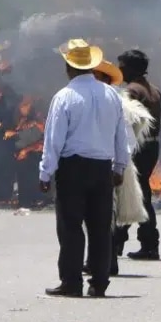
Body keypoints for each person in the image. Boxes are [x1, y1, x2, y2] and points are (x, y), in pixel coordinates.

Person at [39, 39, 130, 298]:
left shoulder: (64, 97)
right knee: (100, 226)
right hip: (102, 168)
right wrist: (120, 166)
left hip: (73, 168)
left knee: (70, 226)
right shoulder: (111, 94)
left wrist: (46, 172)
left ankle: (71, 281)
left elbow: (54, 140)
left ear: (69, 66)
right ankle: (99, 282)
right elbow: (120, 135)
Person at [90, 59, 152, 277]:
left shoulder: (117, 101)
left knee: (106, 217)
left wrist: (118, 164)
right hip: (103, 162)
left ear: (104, 78)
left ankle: (107, 262)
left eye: (95, 76)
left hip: (110, 164)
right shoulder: (98, 99)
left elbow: (128, 139)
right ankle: (100, 261)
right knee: (100, 217)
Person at [115, 49, 161, 262]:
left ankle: (122, 242)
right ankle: (145, 242)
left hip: (137, 147)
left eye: (122, 66)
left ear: (132, 68)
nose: (119, 70)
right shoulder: (154, 90)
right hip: (151, 147)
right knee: (141, 191)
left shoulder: (132, 91)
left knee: (129, 192)